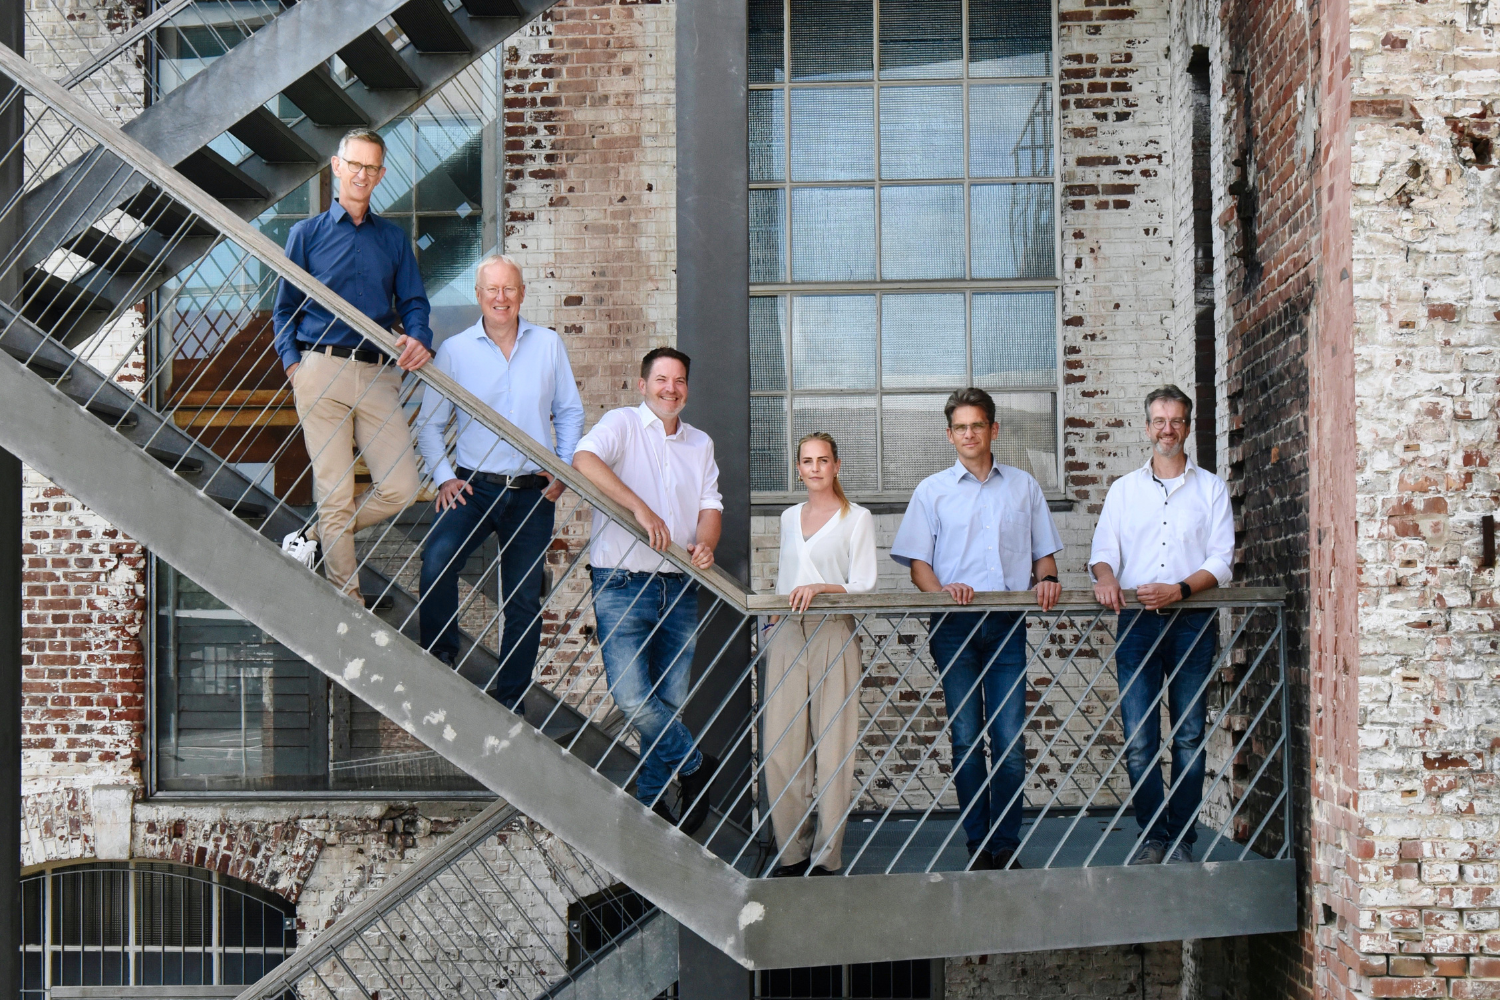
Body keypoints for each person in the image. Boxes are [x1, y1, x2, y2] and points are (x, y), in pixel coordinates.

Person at [891, 387, 1063, 872]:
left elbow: (1042, 553)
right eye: (960, 427)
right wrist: (943, 592)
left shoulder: (1024, 486)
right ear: (950, 435)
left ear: (994, 429)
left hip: (1008, 625)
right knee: (966, 737)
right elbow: (918, 566)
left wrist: (1047, 579)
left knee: (1008, 739)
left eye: (977, 425)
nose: (970, 434)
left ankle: (1005, 843)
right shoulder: (932, 491)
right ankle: (977, 843)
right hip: (954, 626)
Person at [413, 254, 584, 714]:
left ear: (522, 293)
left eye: (509, 289)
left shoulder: (548, 345)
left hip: (532, 492)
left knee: (525, 599)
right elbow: (429, 424)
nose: (501, 298)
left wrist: (563, 467)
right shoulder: (454, 351)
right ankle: (440, 657)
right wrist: (445, 477)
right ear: (479, 295)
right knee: (436, 561)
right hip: (473, 487)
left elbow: (569, 411)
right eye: (492, 289)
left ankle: (509, 698)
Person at [273, 128, 433, 607]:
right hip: (321, 370)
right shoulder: (306, 235)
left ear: (381, 175)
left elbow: (414, 302)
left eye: (372, 168)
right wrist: (294, 367)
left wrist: (420, 338)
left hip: (379, 374)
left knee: (401, 487)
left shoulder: (392, 238)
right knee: (336, 491)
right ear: (337, 167)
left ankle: (315, 534)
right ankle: (349, 599)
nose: (362, 174)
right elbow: (284, 311)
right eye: (354, 165)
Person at [571, 347, 722, 835]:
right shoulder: (622, 424)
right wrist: (640, 509)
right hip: (622, 581)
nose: (670, 389)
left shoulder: (700, 443)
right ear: (643, 384)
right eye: (661, 379)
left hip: (679, 584)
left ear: (687, 389)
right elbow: (583, 459)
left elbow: (709, 505)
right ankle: (696, 765)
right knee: (633, 697)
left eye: (679, 381)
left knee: (669, 702)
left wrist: (706, 544)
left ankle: (651, 808)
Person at [1089, 385, 1234, 865]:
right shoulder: (1124, 490)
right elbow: (1104, 551)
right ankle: (1154, 835)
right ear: (1147, 426)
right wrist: (1106, 577)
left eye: (1175, 421)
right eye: (1158, 420)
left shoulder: (1211, 488)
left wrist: (1181, 590)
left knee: (1190, 733)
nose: (1166, 429)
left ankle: (1184, 840)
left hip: (1192, 621)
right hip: (1136, 623)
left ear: (1187, 427)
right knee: (1140, 737)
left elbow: (1223, 561)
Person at [764, 432, 877, 877]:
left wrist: (822, 588)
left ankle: (827, 859)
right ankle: (792, 854)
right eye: (807, 461)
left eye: (823, 460)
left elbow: (865, 583)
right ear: (798, 468)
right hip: (789, 632)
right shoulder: (789, 517)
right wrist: (774, 624)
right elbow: (783, 578)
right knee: (781, 748)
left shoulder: (857, 518)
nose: (814, 468)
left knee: (833, 749)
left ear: (837, 465)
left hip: (834, 630)